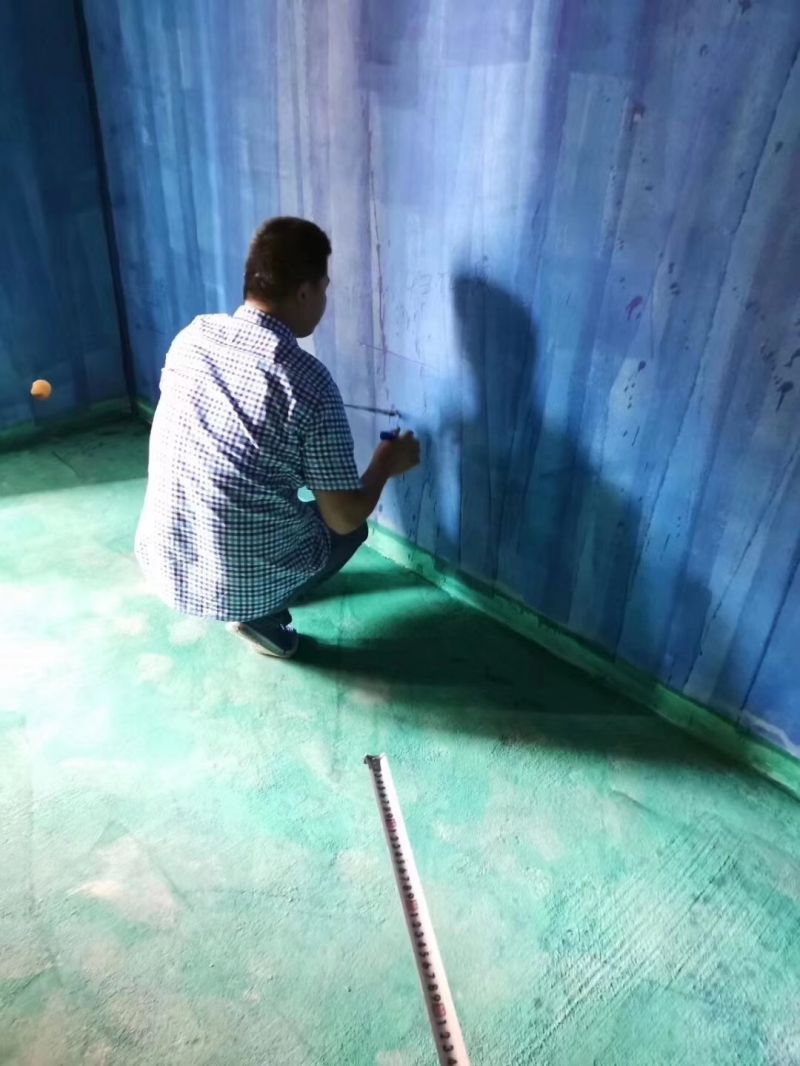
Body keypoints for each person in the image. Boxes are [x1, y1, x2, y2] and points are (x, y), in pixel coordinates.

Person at [135, 217, 420, 659]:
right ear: (305, 292)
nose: (324, 301)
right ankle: (259, 615)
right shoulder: (307, 382)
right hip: (235, 585)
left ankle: (258, 590)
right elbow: (343, 517)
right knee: (350, 529)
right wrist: (385, 463)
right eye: (324, 289)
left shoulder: (193, 337)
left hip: (164, 561)